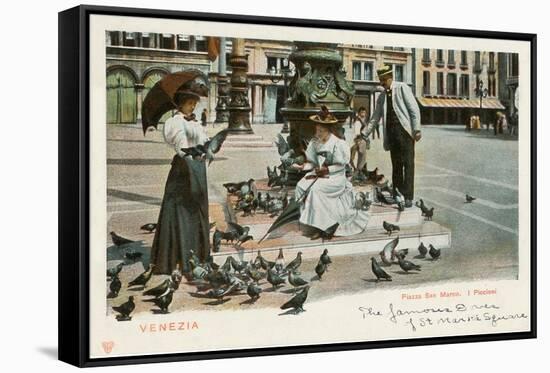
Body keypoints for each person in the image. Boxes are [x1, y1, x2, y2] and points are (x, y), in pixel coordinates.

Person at [150, 83, 210, 276]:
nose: (193, 107)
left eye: (195, 103)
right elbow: (180, 145)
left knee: (196, 211)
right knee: (180, 212)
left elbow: (204, 141)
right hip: (184, 169)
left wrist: (206, 151)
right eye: (190, 103)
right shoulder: (174, 122)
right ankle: (177, 258)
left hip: (198, 167)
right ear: (181, 104)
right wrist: (192, 156)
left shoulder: (195, 122)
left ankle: (195, 256)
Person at [292, 106, 369, 239]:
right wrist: (302, 167)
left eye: (321, 130)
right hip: (319, 175)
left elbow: (341, 165)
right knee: (300, 186)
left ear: (328, 130)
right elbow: (312, 163)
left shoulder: (338, 143)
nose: (318, 132)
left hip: (335, 178)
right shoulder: (315, 142)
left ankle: (321, 227)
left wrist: (327, 169)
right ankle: (309, 223)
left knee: (316, 190)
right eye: (317, 129)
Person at [361, 65, 421, 207]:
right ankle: (398, 194)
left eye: (383, 80)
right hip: (392, 135)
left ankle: (408, 197)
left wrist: (416, 129)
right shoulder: (381, 96)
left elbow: (414, 109)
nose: (381, 83)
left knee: (409, 164)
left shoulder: (402, 88)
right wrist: (365, 133)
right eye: (380, 80)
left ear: (389, 78)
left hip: (405, 132)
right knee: (396, 165)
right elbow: (375, 117)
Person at [350, 106, 370, 177]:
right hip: (360, 140)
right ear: (359, 113)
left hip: (364, 140)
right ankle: (358, 171)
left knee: (363, 157)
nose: (363, 114)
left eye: (364, 112)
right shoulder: (358, 121)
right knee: (361, 156)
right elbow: (357, 132)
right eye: (362, 112)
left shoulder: (364, 120)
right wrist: (358, 141)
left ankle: (360, 171)